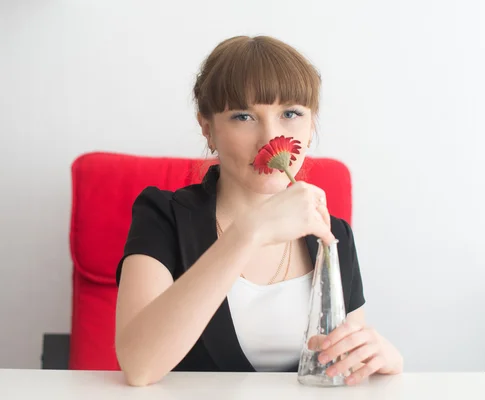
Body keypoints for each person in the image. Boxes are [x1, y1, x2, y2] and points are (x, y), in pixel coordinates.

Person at [114, 35, 403, 387]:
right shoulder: (163, 216)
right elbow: (139, 366)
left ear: (311, 127)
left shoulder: (333, 233)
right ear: (208, 130)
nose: (271, 137)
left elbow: (342, 370)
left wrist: (379, 358)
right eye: (244, 116)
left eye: (291, 114)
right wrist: (252, 232)